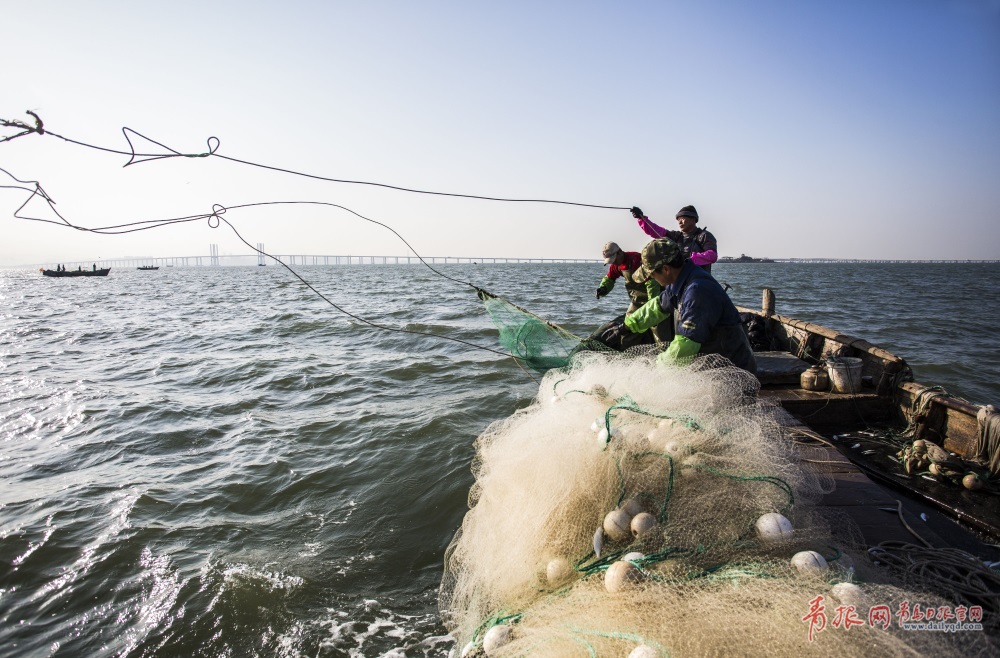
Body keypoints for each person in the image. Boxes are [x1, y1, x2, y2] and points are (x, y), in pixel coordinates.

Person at [616, 238, 756, 373]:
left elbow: (685, 346)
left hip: (732, 373)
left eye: (652, 274)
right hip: (709, 364)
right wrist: (628, 325)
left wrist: (656, 370)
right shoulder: (680, 280)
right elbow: (657, 306)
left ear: (665, 269)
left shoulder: (697, 291)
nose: (651, 278)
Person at [630, 205, 718, 273]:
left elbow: (712, 255)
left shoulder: (704, 235)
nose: (680, 222)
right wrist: (641, 218)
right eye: (678, 219)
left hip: (698, 280)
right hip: (678, 282)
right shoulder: (675, 236)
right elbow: (655, 230)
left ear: (693, 219)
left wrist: (691, 260)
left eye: (683, 218)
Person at [595, 241, 660, 316]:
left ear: (619, 252)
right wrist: (603, 288)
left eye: (614, 260)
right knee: (629, 321)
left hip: (654, 295)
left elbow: (652, 282)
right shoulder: (616, 265)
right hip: (636, 300)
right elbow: (610, 278)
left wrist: (652, 304)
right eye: (611, 261)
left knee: (655, 322)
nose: (614, 263)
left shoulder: (636, 259)